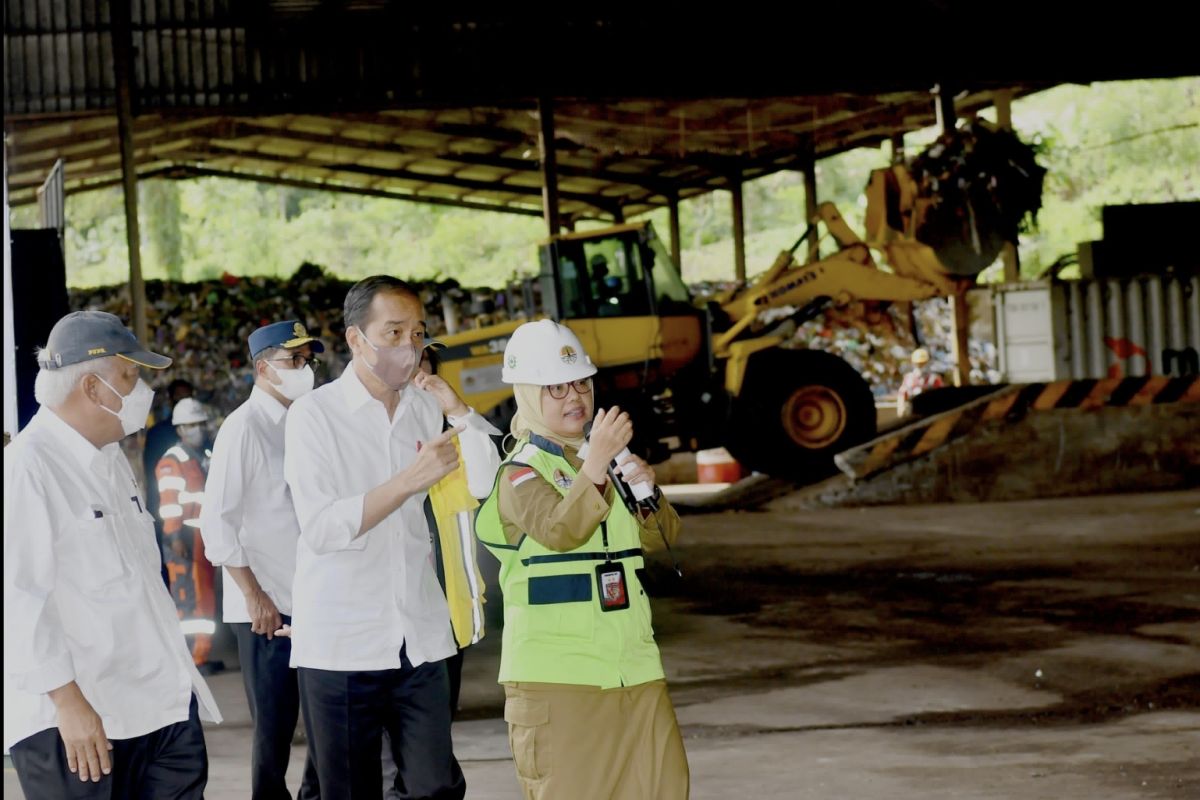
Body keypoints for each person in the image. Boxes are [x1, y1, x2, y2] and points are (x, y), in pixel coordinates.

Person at [283, 275, 500, 799]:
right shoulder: (315, 417)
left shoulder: (425, 408)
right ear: (358, 340)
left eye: (418, 333)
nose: (410, 347)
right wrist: (411, 480)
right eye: (395, 333)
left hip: (419, 635)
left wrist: (458, 411)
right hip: (343, 644)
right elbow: (322, 527)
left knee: (435, 786)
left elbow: (488, 480)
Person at [4, 311, 221, 799]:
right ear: (93, 387)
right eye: (130, 376)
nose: (142, 390)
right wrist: (68, 703)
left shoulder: (110, 461)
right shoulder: (27, 469)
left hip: (158, 707)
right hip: (81, 723)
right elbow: (17, 602)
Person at [475, 319, 689, 800]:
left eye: (581, 383)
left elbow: (662, 538)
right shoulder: (520, 472)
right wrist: (595, 467)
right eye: (555, 387)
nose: (575, 396)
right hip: (559, 679)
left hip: (634, 668)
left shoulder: (606, 460)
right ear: (529, 394)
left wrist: (645, 488)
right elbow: (559, 530)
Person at [199, 320, 324, 800]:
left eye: (307, 360)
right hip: (268, 610)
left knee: (325, 721)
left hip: (313, 600)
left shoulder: (306, 422)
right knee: (274, 731)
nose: (304, 369)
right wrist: (254, 596)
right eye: (293, 361)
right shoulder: (243, 429)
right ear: (262, 368)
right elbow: (217, 524)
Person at [381, 339, 499, 799]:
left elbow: (488, 476)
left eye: (426, 365)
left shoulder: (456, 432)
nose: (419, 374)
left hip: (446, 609)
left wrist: (459, 411)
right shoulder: (378, 434)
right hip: (395, 609)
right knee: (398, 732)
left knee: (434, 723)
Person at [155, 397, 220, 672]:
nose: (197, 429)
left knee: (204, 598)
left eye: (200, 424)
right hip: (183, 539)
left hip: (201, 537)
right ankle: (191, 659)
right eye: (190, 425)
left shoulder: (203, 457)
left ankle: (201, 654)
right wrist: (174, 536)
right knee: (188, 601)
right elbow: (169, 503)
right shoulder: (173, 460)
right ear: (180, 429)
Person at [145, 378, 195, 583]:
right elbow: (152, 473)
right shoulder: (158, 433)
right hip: (164, 509)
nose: (183, 399)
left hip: (192, 513)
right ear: (170, 398)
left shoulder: (198, 432)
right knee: (168, 569)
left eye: (187, 395)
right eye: (179, 396)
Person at [897, 347, 945, 417]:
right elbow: (902, 394)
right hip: (913, 411)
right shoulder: (909, 378)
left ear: (927, 362)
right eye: (918, 364)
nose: (920, 366)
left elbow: (942, 397)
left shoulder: (934, 379)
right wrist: (901, 412)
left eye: (923, 363)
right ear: (913, 363)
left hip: (931, 412)